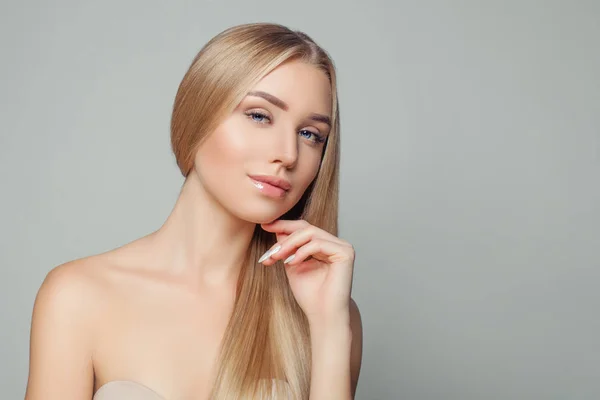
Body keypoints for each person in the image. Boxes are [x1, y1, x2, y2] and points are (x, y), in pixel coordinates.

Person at [24, 22, 363, 400]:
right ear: (198, 114)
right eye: (259, 116)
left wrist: (329, 327)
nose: (287, 153)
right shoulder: (78, 295)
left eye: (310, 134)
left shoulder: (328, 312)